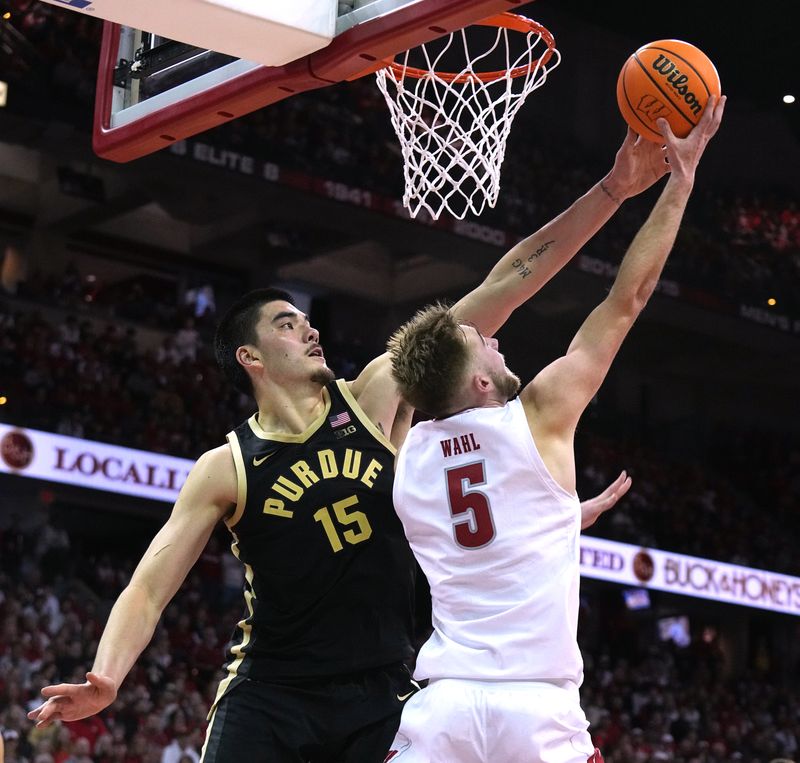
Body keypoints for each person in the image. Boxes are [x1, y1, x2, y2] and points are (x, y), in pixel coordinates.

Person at [27, 123, 672, 762]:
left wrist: (613, 191)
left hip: (384, 693)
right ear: (250, 355)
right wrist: (108, 674)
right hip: (271, 691)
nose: (308, 329)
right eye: (287, 324)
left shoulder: (372, 398)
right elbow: (149, 585)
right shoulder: (227, 468)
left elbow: (511, 279)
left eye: (306, 318)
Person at [382, 96, 725, 763]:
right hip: (535, 710)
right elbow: (625, 302)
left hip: (442, 710)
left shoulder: (405, 452)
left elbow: (482, 514)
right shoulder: (540, 413)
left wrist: (559, 517)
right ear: (480, 382)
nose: (498, 343)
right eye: (485, 343)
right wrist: (679, 187)